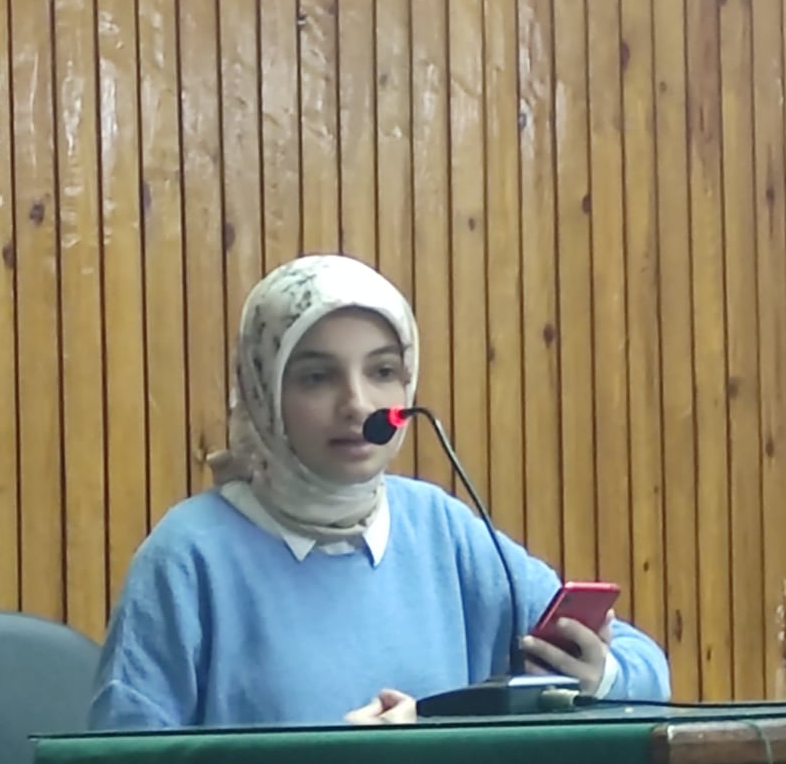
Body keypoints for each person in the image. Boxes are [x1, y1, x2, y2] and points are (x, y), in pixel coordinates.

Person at [87, 254, 670, 729]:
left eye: (383, 372)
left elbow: (646, 668)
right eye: (318, 377)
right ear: (265, 392)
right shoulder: (188, 557)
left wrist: (601, 678)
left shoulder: (441, 529)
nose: (358, 404)